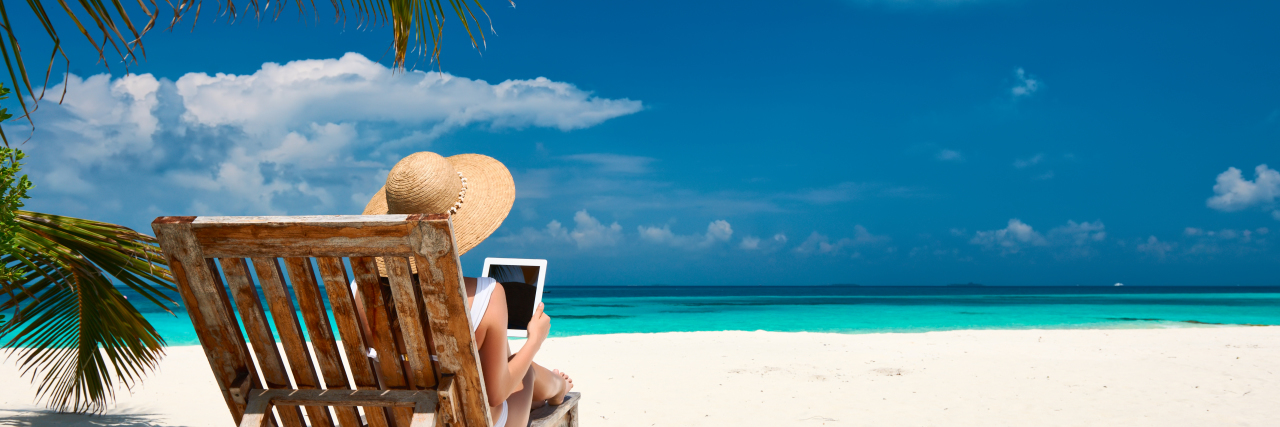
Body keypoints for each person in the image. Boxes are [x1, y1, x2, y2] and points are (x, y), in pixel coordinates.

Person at [355, 151, 573, 426]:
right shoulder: (488, 294)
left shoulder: (359, 292)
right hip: (468, 421)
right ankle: (557, 389)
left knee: (507, 360)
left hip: (396, 419)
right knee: (524, 371)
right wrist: (535, 340)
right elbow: (496, 394)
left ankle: (554, 389)